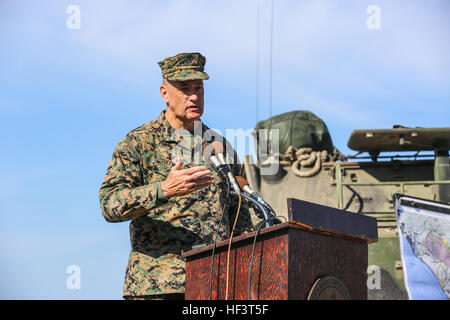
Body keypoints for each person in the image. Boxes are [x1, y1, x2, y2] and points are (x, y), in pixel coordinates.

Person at [98, 52, 254, 300]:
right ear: (164, 94)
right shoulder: (139, 142)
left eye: (198, 88)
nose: (194, 96)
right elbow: (110, 204)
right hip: (160, 285)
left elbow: (240, 217)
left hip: (218, 285)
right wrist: (164, 190)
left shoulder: (219, 145)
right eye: (184, 89)